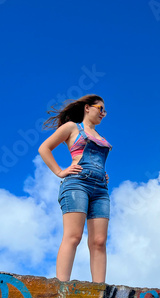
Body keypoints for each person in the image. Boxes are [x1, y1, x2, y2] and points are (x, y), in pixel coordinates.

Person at [38, 94, 112, 283]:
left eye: (105, 110)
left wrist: (102, 173)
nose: (103, 113)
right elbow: (44, 148)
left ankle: (99, 290)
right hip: (77, 183)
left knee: (99, 241)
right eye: (100, 108)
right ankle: (61, 286)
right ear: (87, 108)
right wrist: (60, 171)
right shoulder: (73, 128)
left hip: (101, 190)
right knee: (74, 236)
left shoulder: (101, 137)